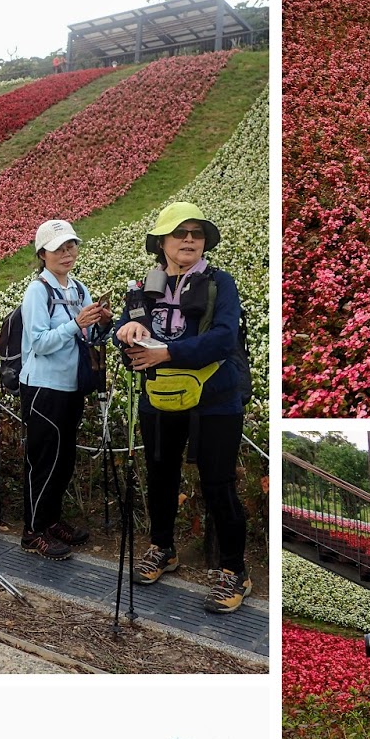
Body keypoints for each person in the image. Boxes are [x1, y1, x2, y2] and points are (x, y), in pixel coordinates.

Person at [115, 201, 253, 615]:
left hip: (215, 400)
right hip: (160, 398)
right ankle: (163, 548)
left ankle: (234, 570)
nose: (189, 239)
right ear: (161, 242)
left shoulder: (219, 283)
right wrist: (126, 332)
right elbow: (127, 342)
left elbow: (224, 338)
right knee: (161, 477)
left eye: (197, 233)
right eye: (180, 233)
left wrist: (167, 353)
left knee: (218, 484)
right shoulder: (143, 287)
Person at [18, 219, 112, 559]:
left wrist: (102, 324)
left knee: (64, 460)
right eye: (58, 248)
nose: (67, 253)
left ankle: (52, 521)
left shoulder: (78, 289)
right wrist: (76, 324)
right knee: (43, 461)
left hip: (72, 386)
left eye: (71, 246)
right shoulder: (37, 291)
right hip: (43, 388)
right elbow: (39, 343)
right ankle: (33, 531)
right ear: (43, 254)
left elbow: (90, 338)